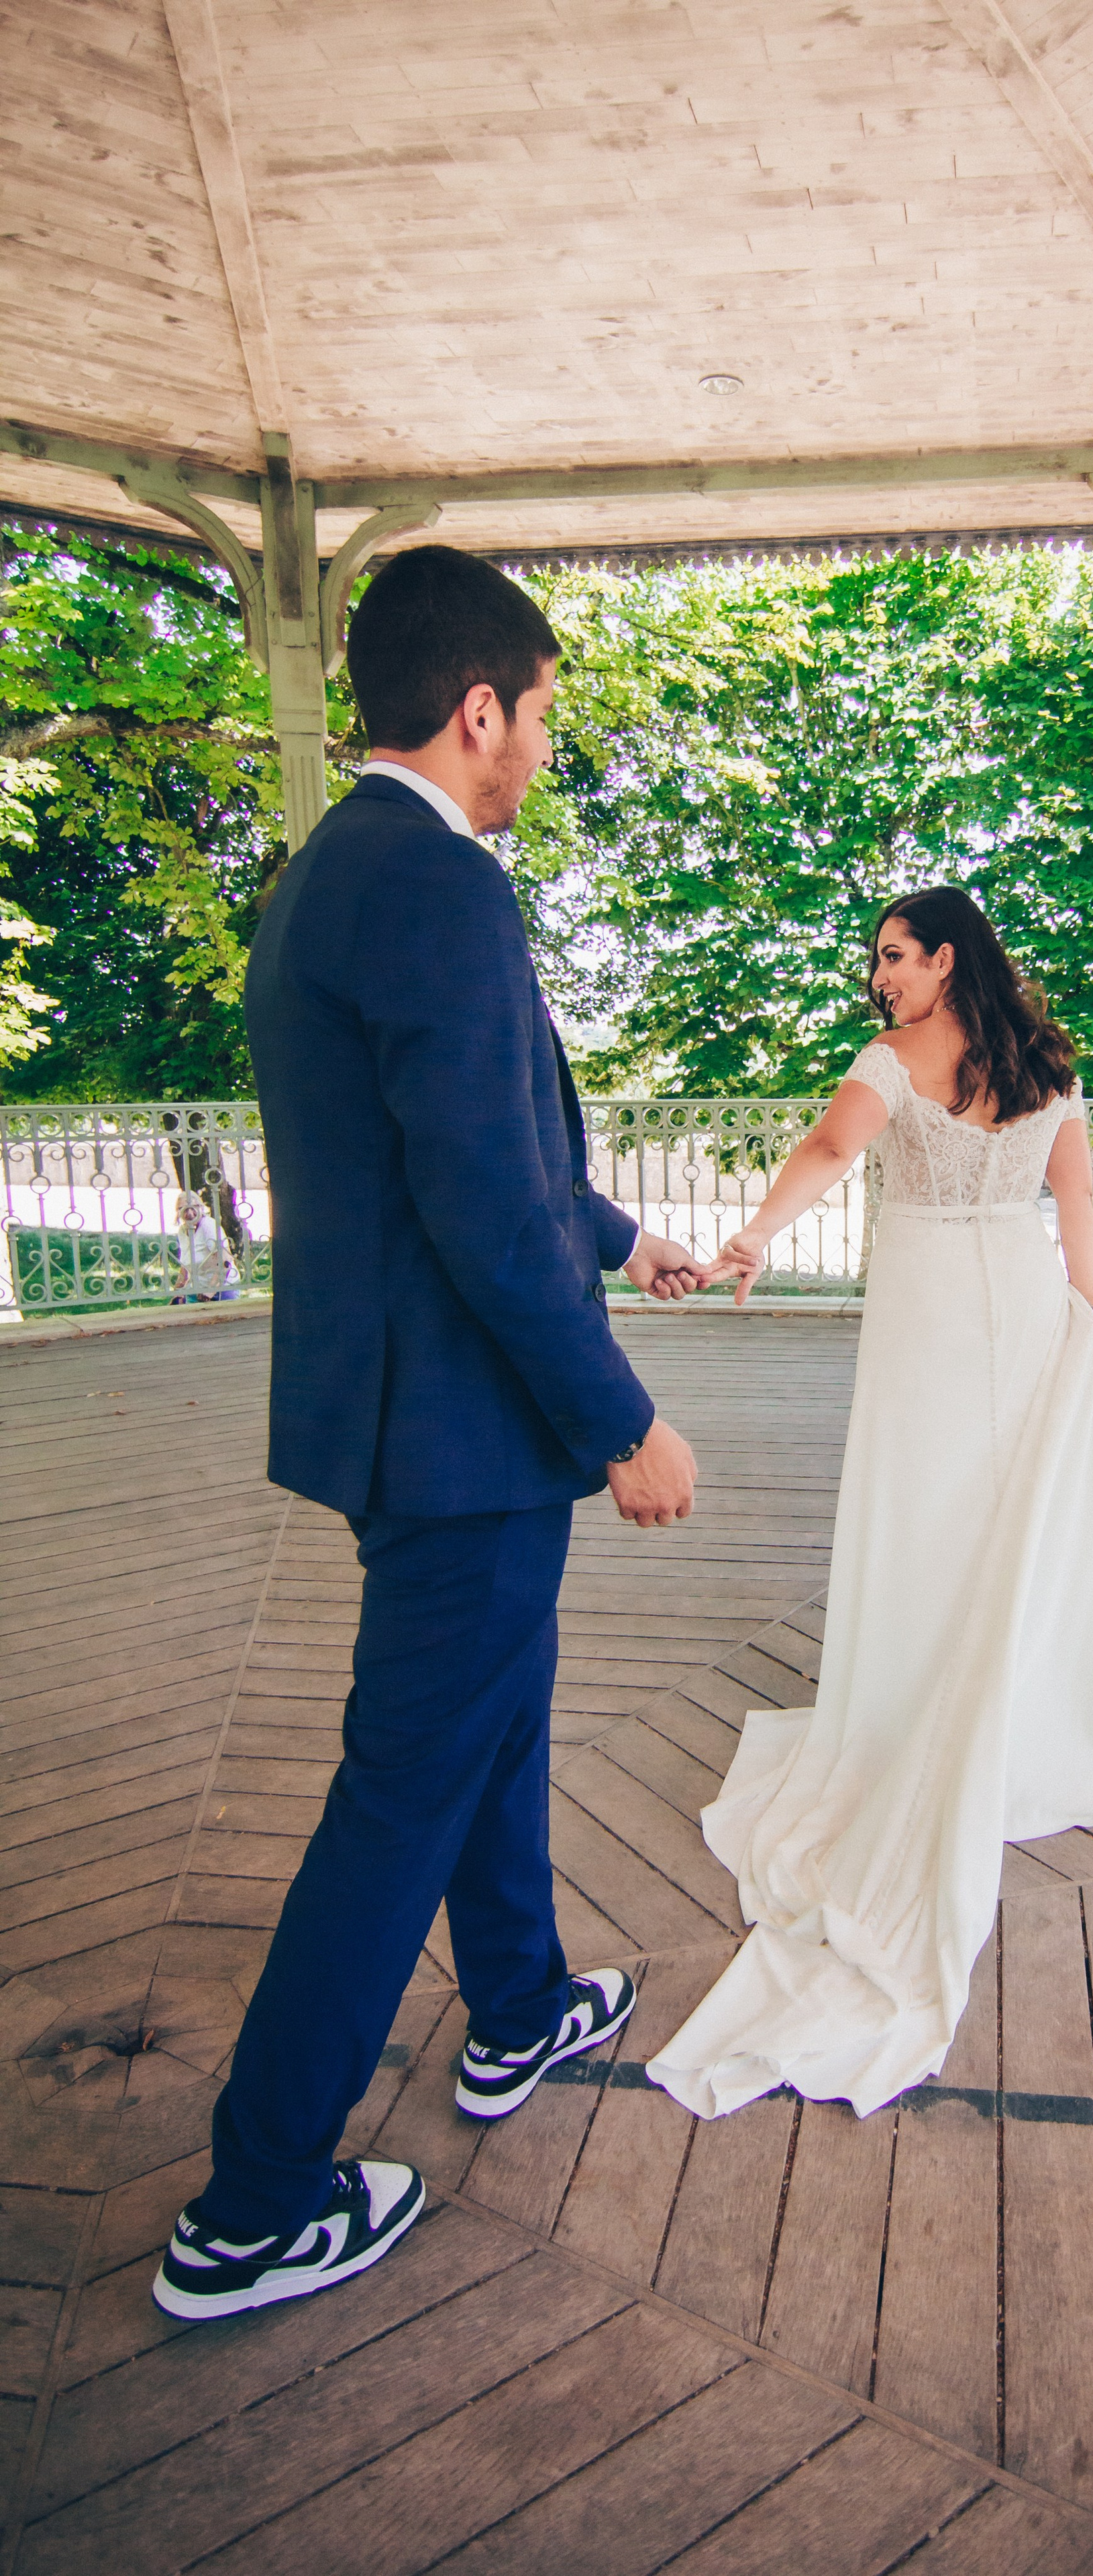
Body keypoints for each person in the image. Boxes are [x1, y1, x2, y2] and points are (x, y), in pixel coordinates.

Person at [154, 545, 705, 2323]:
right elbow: (474, 1195)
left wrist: (632, 1241)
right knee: (399, 1795)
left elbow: (483, 1154)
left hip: (408, 1415)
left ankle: (521, 2010)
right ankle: (251, 2204)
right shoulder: (444, 888)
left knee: (498, 1714)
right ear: (479, 708)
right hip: (462, 1432)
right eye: (541, 715)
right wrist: (620, 1419)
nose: (545, 747)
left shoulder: (332, 874)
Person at [647, 885, 1093, 2121]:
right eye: (879, 964)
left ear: (947, 958)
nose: (882, 980)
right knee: (997, 1521)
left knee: (928, 1517)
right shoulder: (1050, 1060)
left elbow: (828, 1151)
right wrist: (1092, 1308)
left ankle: (925, 1704)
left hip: (931, 1321)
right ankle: (1006, 1706)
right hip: (1021, 1306)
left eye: (897, 958)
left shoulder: (893, 1060)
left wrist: (753, 1236)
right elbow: (1074, 1208)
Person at [170, 1190, 238, 1303]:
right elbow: (185, 1266)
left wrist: (210, 1292)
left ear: (201, 1207)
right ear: (178, 1212)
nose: (190, 1213)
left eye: (194, 1207)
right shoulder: (182, 1231)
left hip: (221, 1290)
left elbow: (225, 1261)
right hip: (197, 1290)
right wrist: (178, 1292)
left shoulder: (209, 1226)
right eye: (184, 1209)